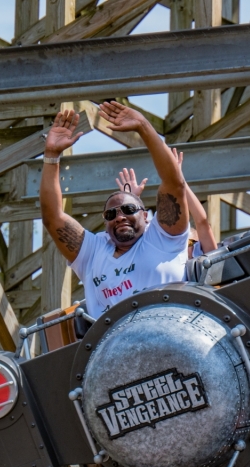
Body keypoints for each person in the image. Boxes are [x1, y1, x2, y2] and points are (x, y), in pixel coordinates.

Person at [40, 102, 191, 316]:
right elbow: (52, 217)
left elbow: (174, 184)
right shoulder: (93, 252)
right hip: (115, 337)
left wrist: (143, 127)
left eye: (128, 209)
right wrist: (51, 155)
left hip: (167, 329)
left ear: (145, 215)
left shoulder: (163, 238)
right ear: (105, 223)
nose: (119, 217)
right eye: (111, 214)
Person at [115, 153, 217, 257]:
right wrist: (133, 200)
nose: (182, 247)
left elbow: (201, 221)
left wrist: (179, 181)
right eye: (178, 242)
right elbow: (143, 232)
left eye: (189, 243)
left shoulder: (205, 258)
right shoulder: (165, 256)